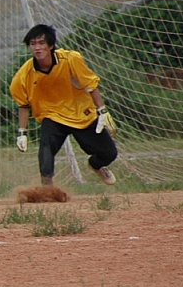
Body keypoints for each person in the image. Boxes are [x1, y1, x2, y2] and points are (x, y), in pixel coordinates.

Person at [9, 23, 118, 187]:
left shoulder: (71, 59)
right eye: (33, 44)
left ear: (50, 45)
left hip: (81, 113)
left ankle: (96, 165)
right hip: (53, 115)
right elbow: (23, 104)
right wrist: (22, 133)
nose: (37, 48)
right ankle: (47, 187)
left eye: (41, 43)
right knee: (46, 148)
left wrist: (102, 111)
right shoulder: (25, 74)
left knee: (109, 153)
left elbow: (90, 85)